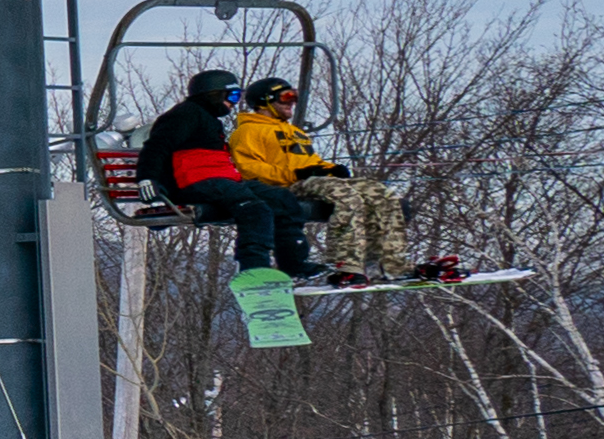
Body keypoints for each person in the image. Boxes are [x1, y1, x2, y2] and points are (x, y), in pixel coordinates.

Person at [138, 68, 321, 277]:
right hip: (195, 182)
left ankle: (293, 262)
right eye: (232, 96)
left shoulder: (207, 118)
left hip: (221, 181)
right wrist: (147, 178)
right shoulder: (185, 114)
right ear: (212, 93)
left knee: (281, 198)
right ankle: (254, 268)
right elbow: (157, 146)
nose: (234, 103)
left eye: (238, 97)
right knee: (254, 209)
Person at [234, 79, 411, 284]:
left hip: (309, 181)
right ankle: (345, 265)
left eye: (294, 97)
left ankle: (390, 264)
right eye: (286, 97)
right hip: (283, 186)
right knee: (346, 196)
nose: (292, 102)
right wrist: (296, 174)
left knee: (378, 192)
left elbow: (309, 162)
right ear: (265, 101)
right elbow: (248, 168)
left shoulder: (295, 132)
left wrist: (328, 169)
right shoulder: (248, 131)